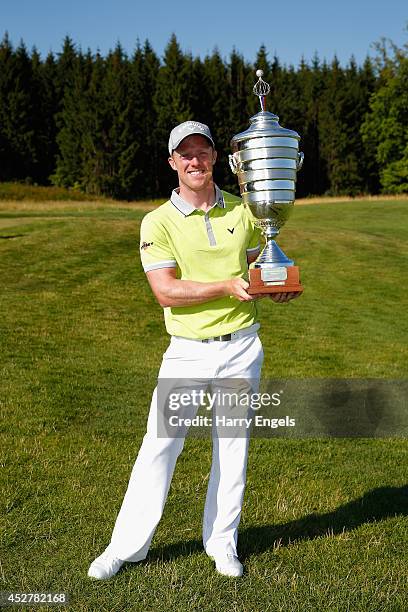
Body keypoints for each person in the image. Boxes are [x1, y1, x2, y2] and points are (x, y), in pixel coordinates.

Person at [88, 120, 300, 580]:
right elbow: (165, 291)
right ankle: (125, 547)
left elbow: (258, 272)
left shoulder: (245, 212)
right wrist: (227, 285)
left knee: (233, 448)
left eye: (202, 151)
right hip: (187, 350)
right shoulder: (157, 221)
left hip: (242, 347)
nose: (194, 160)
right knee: (160, 446)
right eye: (185, 153)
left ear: (214, 158)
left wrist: (275, 288)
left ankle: (222, 544)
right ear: (172, 162)